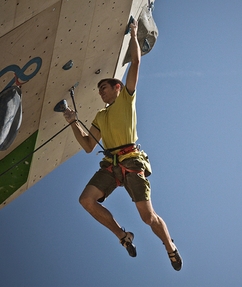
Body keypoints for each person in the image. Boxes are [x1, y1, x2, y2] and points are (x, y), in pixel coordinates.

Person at [63, 20, 182, 271]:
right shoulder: (99, 117)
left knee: (147, 217)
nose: (101, 93)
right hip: (111, 166)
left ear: (117, 87)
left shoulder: (126, 98)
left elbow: (137, 62)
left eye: (104, 88)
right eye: (99, 91)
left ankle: (169, 246)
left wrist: (134, 35)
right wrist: (73, 122)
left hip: (130, 160)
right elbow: (87, 145)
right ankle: (122, 236)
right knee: (86, 200)